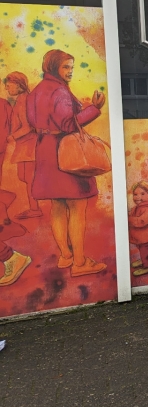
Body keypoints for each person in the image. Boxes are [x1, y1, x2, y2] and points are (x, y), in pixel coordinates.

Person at [27, 49, 107, 277]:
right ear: (53, 67)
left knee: (58, 207)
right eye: (66, 67)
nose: (70, 72)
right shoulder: (60, 91)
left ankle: (66, 256)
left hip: (45, 150)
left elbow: (34, 121)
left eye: (72, 67)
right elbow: (68, 124)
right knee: (77, 207)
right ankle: (80, 263)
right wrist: (94, 109)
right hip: (65, 151)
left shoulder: (37, 91)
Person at [5, 72, 41, 219]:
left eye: (9, 86)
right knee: (24, 177)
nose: (7, 89)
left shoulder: (24, 100)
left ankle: (34, 208)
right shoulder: (21, 99)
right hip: (24, 145)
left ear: (19, 85)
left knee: (29, 178)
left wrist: (13, 136)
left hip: (29, 145)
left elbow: (28, 127)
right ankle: (35, 206)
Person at [128, 180, 148, 278]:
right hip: (140, 237)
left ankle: (147, 266)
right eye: (135, 194)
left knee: (145, 251)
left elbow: (141, 221)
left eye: (142, 194)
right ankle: (145, 259)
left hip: (146, 237)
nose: (138, 197)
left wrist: (128, 219)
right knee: (143, 251)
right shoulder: (139, 207)